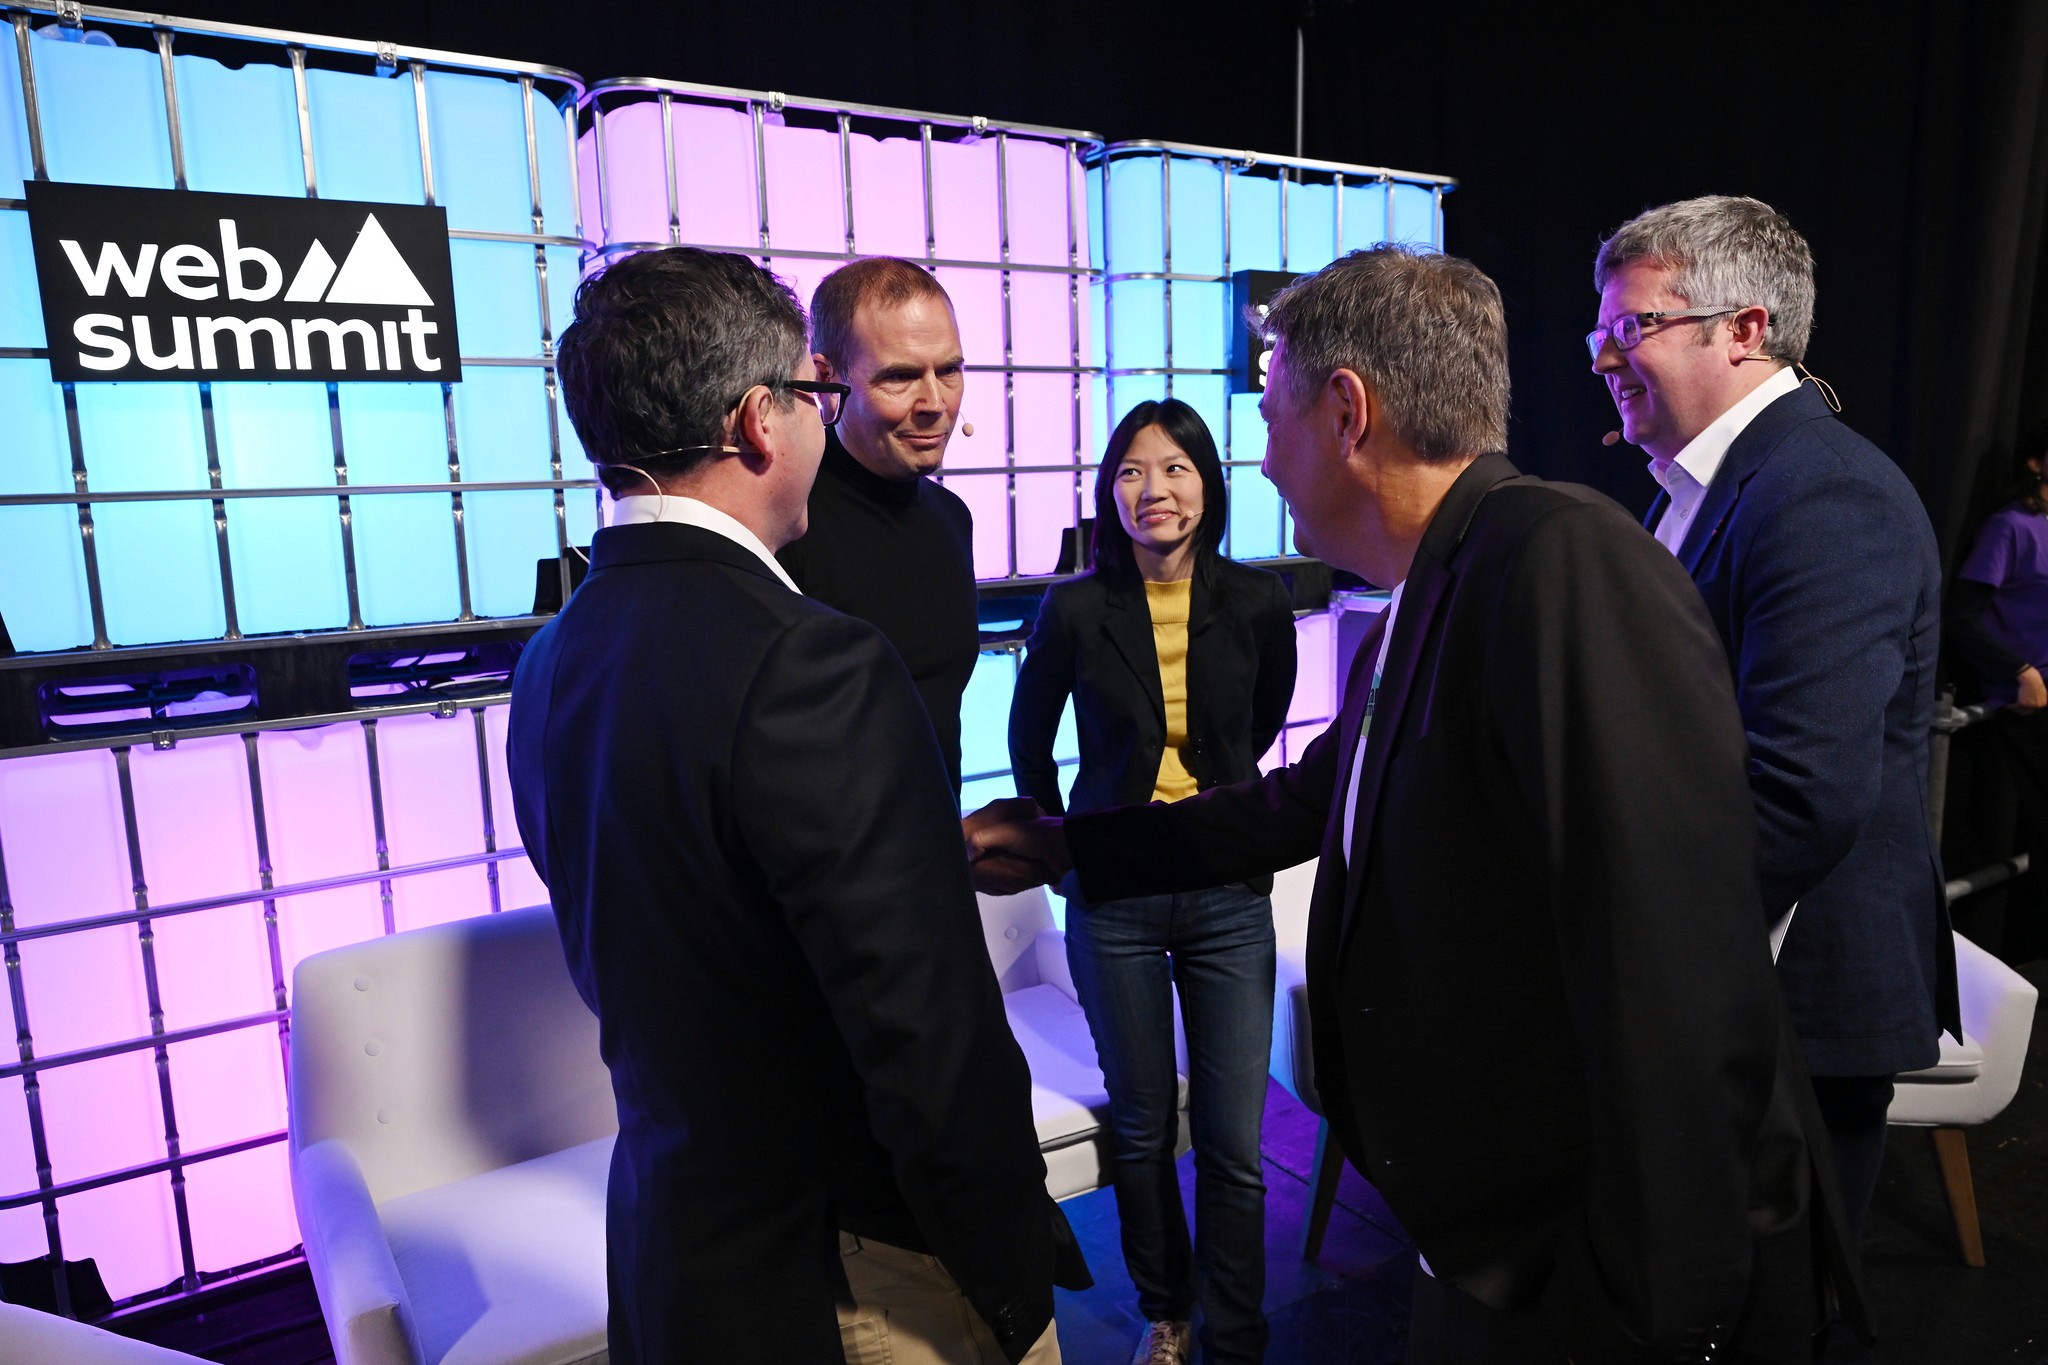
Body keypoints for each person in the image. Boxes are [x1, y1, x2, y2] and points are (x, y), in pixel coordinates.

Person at [969, 245, 1867, 1364]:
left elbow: (1675, 953)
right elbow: (1298, 805)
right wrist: (1065, 845)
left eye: (1270, 417)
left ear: (1347, 413)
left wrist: (1663, 1306)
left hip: (1589, 1270)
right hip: (1488, 1233)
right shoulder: (1434, 586)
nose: (1262, 459)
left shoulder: (1558, 560)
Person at [507, 247, 1080, 1365]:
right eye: (820, 393)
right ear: (760, 421)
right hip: (851, 1261)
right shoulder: (810, 662)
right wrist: (1010, 1263)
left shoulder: (551, 658)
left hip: (677, 1241)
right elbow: (926, 1038)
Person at [1588, 196, 1961, 1295]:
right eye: (1599, 332)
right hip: (1728, 989)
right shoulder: (1705, 487)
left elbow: (1799, 797)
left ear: (1743, 330)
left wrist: (1616, 933)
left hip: (1790, 1006)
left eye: (1633, 327)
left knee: (1773, 1316)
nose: (1604, 358)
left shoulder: (1824, 492)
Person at [1008, 398, 1296, 1365]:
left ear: (1208, 483)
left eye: (1174, 468)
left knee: (1234, 1144)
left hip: (1226, 886)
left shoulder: (1256, 600)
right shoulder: (1076, 607)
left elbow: (1260, 722)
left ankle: (1237, 1333)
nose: (1153, 489)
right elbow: (1028, 736)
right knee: (1139, 1127)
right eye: (1131, 471)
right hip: (1117, 893)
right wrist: (1064, 843)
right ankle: (1166, 1311)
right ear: (1110, 490)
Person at [777, 257, 979, 796]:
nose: (935, 404)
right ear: (825, 379)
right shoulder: (784, 524)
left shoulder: (952, 518)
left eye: (949, 371)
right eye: (900, 377)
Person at [1945, 423, 2048, 964]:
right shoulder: (2012, 527)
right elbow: (1961, 617)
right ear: (2036, 462)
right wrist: (2020, 670)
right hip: (2030, 703)